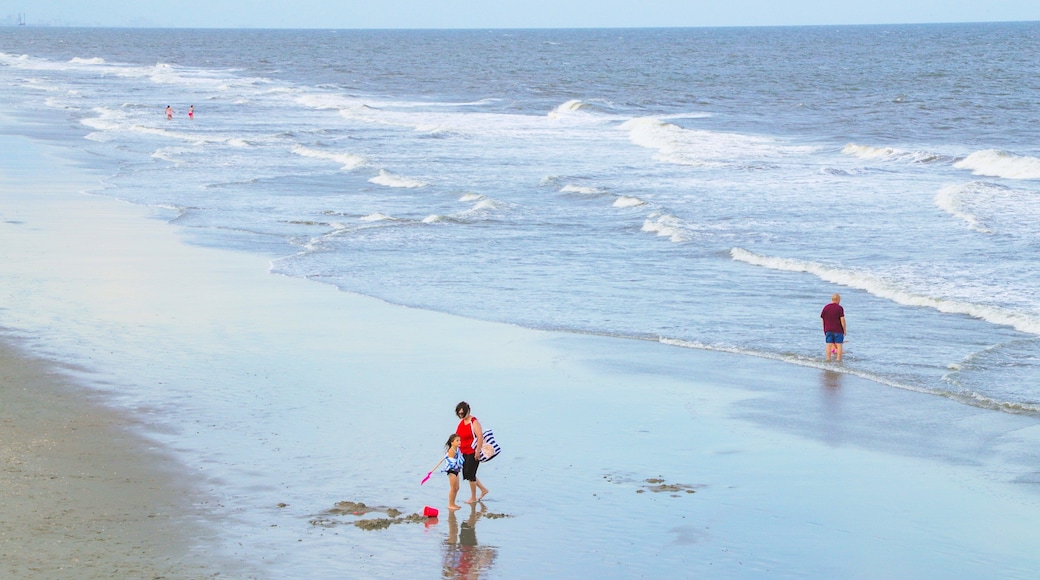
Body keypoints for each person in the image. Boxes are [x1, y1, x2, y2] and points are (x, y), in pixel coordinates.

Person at [455, 401, 489, 503]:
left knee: (470, 474)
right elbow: (457, 436)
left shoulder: (473, 422)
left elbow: (480, 437)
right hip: (463, 452)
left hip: (472, 452)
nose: (461, 415)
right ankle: (483, 490)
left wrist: (477, 451)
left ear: (467, 411)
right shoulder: (461, 422)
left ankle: (473, 497)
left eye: (462, 413)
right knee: (467, 474)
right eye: (459, 413)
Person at [427, 433, 465, 510]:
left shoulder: (457, 449)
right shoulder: (451, 451)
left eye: (460, 440)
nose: (459, 442)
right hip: (451, 471)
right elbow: (451, 463)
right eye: (457, 441)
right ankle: (450, 504)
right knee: (453, 488)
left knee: (457, 488)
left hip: (456, 469)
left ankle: (453, 503)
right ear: (452, 442)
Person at [821, 293, 847, 361]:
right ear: (838, 300)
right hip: (838, 330)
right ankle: (838, 360)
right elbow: (842, 320)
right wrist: (844, 329)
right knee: (839, 345)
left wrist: (824, 329)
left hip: (828, 329)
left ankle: (828, 359)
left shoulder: (826, 307)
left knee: (828, 345)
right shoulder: (839, 308)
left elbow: (823, 319)